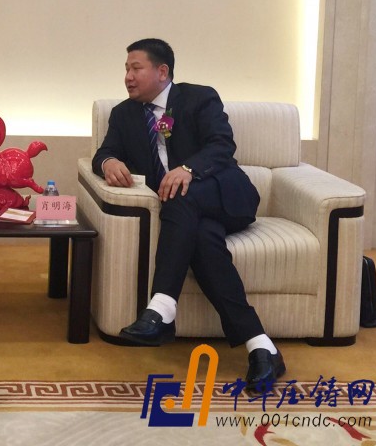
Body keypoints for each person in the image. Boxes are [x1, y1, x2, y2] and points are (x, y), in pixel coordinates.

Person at [92, 38, 285, 388]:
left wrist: (188, 169)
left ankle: (162, 307)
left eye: (136, 68)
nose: (128, 77)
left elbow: (222, 144)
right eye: (126, 69)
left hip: (226, 196)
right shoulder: (124, 114)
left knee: (178, 196)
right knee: (203, 240)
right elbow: (103, 152)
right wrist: (109, 162)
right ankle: (261, 346)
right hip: (189, 215)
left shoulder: (199, 98)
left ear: (162, 71)